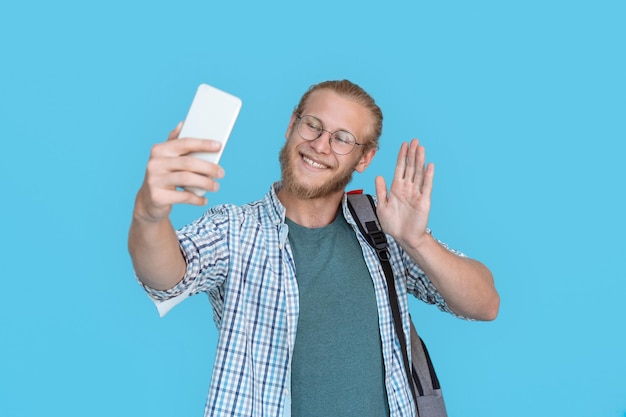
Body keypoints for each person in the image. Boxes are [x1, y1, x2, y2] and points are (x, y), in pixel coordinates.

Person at [128, 79, 500, 417]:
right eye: (313, 126)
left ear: (365, 158)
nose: (320, 145)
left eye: (342, 138)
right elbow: (166, 278)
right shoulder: (235, 230)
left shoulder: (384, 229)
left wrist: (416, 241)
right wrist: (148, 214)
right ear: (292, 125)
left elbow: (485, 304)